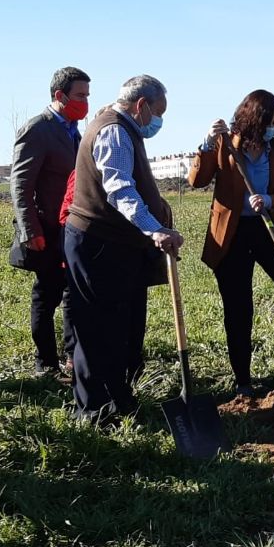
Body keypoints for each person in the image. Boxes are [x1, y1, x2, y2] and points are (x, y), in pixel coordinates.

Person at [189, 90, 274, 396]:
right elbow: (197, 181)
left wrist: (268, 199)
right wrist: (207, 144)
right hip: (232, 233)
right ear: (251, 119)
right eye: (267, 122)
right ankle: (243, 380)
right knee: (239, 307)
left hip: (267, 226)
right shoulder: (224, 142)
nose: (272, 128)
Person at [64, 75, 179, 422]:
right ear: (141, 105)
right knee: (97, 326)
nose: (158, 121)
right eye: (157, 112)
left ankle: (117, 398)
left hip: (116, 243)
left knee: (119, 325)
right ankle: (92, 409)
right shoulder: (114, 131)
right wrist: (154, 228)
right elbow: (119, 191)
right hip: (98, 241)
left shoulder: (124, 128)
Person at [10, 66, 91, 378]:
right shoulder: (38, 129)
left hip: (71, 228)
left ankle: (72, 357)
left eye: (87, 95)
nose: (85, 102)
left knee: (73, 293)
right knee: (47, 294)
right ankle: (45, 362)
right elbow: (21, 185)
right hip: (46, 227)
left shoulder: (74, 131)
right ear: (60, 96)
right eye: (80, 95)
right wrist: (30, 229)